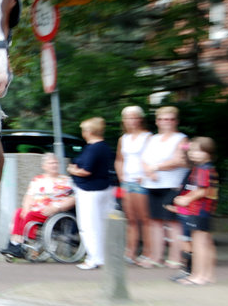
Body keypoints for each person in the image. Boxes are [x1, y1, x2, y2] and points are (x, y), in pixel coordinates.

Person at [1, 153, 76, 260]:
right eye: (51, 163)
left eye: (56, 163)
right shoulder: (37, 180)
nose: (54, 165)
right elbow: (29, 196)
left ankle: (20, 245)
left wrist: (57, 207)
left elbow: (73, 198)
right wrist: (26, 207)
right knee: (19, 212)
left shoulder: (66, 180)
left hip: (52, 212)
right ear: (44, 166)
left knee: (30, 215)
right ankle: (14, 244)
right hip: (36, 210)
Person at [140, 106, 189, 268]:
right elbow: (143, 158)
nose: (165, 122)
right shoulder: (152, 139)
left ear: (176, 121)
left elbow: (179, 160)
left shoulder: (182, 139)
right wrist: (147, 169)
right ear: (157, 121)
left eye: (169, 119)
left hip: (173, 185)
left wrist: (155, 168)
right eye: (162, 119)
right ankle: (156, 256)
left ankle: (176, 257)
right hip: (152, 184)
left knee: (174, 223)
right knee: (155, 221)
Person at [67, 117, 114, 270]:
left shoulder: (93, 148)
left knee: (88, 226)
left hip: (88, 191)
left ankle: (93, 258)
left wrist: (72, 169)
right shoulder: (105, 147)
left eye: (84, 130)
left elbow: (86, 171)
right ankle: (104, 256)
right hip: (104, 188)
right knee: (101, 224)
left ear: (89, 131)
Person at [172, 137, 218, 285]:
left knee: (199, 244)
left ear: (208, 153)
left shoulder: (203, 169)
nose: (193, 154)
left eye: (198, 151)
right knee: (206, 243)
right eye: (191, 150)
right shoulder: (207, 168)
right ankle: (207, 275)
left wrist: (186, 200)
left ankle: (197, 276)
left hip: (199, 210)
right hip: (205, 211)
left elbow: (202, 190)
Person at [114, 106, 152, 266]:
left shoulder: (148, 137)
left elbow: (152, 159)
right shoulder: (123, 139)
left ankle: (148, 252)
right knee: (131, 219)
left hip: (141, 182)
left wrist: (145, 176)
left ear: (140, 119)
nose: (131, 121)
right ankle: (130, 251)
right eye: (128, 118)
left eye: (134, 117)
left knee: (145, 219)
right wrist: (122, 177)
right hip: (127, 182)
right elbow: (119, 160)